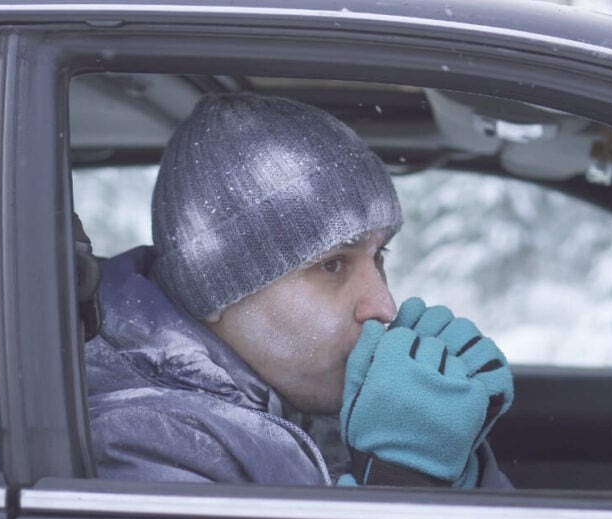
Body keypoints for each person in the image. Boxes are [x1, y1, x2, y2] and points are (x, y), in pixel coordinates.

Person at [87, 93, 513, 488]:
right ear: (212, 289)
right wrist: (402, 482)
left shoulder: (299, 399)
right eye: (331, 264)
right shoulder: (146, 443)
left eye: (379, 255)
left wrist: (456, 468)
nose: (384, 305)